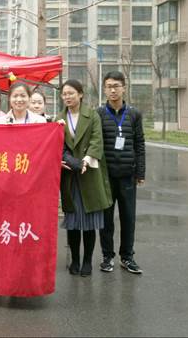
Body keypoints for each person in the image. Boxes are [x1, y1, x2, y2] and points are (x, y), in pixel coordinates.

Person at [56, 79, 112, 277]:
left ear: (80, 94)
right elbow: (57, 144)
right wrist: (71, 161)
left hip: (89, 173)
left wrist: (86, 160)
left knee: (89, 223)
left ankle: (87, 260)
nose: (67, 97)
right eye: (64, 94)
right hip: (70, 174)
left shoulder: (92, 115)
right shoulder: (59, 118)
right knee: (72, 221)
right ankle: (75, 260)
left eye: (71, 93)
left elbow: (97, 140)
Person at [97, 71, 145, 274]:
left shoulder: (134, 114)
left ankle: (127, 257)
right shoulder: (99, 114)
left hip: (127, 176)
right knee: (106, 220)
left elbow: (139, 144)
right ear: (104, 89)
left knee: (128, 218)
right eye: (109, 86)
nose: (113, 90)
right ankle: (107, 257)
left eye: (116, 86)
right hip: (106, 177)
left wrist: (140, 172)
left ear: (124, 88)